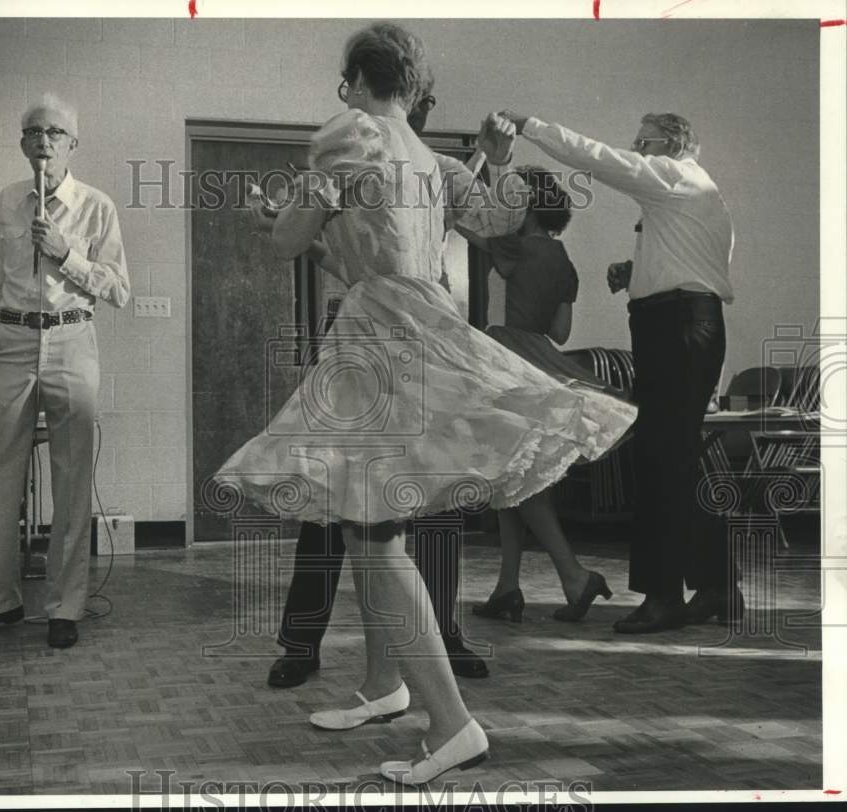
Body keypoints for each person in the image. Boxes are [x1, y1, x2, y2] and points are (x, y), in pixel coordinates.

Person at [216, 24, 635, 784]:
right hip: (420, 324)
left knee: (372, 534)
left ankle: (452, 725)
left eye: (344, 84)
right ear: (412, 85)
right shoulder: (431, 159)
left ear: (354, 81)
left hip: (381, 335)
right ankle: (385, 686)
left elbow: (290, 241)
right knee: (365, 518)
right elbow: (495, 219)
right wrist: (495, 159)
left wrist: (265, 216)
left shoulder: (350, 133)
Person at [266, 90, 511, 690]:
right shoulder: (358, 159)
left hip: (428, 337)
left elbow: (491, 222)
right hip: (367, 337)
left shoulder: (435, 169)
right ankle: (302, 642)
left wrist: (493, 163)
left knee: (432, 495)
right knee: (336, 495)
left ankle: (439, 636)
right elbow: (337, 258)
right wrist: (292, 222)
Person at [497, 110, 737, 633]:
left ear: (669, 143)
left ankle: (663, 598)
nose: (635, 148)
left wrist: (534, 126)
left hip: (675, 329)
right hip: (686, 324)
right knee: (681, 459)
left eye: (643, 142)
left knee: (659, 462)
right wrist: (638, 271)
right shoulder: (694, 192)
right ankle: (717, 588)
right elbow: (698, 265)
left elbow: (598, 158)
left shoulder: (673, 175)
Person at [0, 94, 130, 649]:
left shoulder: (97, 206)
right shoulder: (7, 201)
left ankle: (65, 606)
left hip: (72, 339)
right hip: (9, 343)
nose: (44, 141)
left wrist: (65, 254)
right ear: (22, 142)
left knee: (72, 479)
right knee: (0, 477)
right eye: (33, 132)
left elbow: (120, 291)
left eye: (55, 132)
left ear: (72, 144)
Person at [458, 167, 619, 623]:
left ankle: (573, 574)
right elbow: (560, 331)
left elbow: (463, 222)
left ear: (523, 207)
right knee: (512, 478)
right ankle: (508, 588)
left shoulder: (512, 246)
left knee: (516, 479)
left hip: (503, 358)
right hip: (539, 357)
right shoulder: (563, 260)